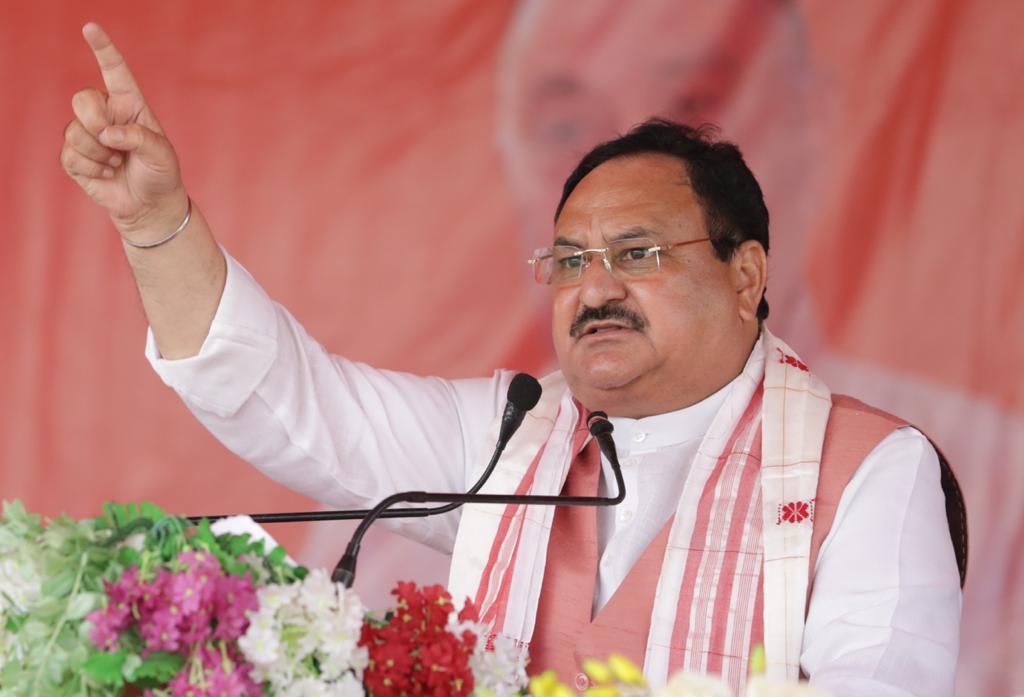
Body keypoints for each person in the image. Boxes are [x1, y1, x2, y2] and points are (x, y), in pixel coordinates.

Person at [61, 23, 963, 696]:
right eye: (568, 260)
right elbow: (285, 397)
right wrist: (154, 225)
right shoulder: (508, 438)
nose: (593, 287)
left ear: (745, 272)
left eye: (637, 253)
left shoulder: (872, 469)